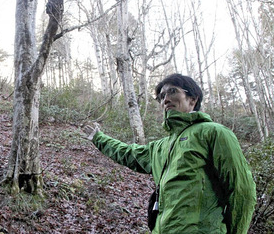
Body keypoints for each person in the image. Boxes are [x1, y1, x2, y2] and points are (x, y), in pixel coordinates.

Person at [85, 73, 256, 234]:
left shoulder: (214, 133)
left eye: (172, 91)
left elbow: (242, 190)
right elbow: (128, 153)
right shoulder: (160, 146)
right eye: (161, 96)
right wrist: (98, 137)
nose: (166, 99)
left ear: (193, 99)